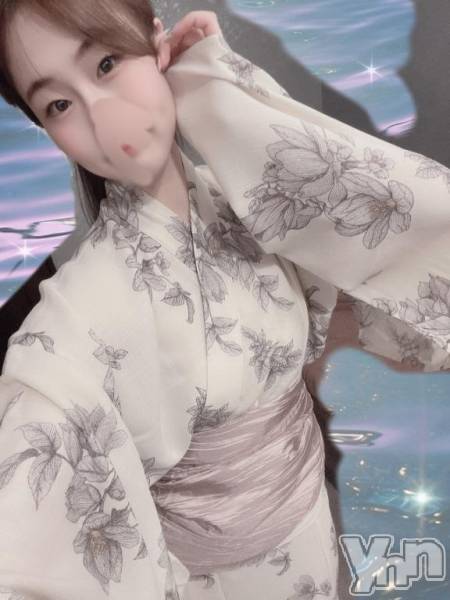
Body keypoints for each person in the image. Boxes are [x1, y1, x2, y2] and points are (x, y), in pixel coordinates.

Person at [0, 2, 449, 599]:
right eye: (59, 105)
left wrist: (221, 86)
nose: (103, 120)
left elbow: (371, 201)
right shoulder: (80, 314)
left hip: (311, 524)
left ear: (157, 43)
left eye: (107, 64)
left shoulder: (242, 203)